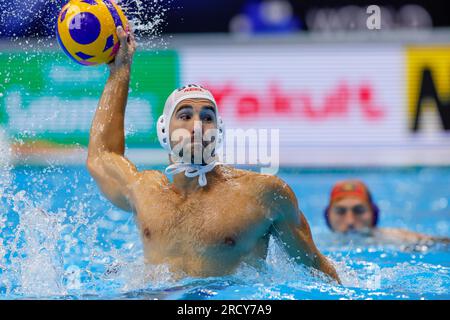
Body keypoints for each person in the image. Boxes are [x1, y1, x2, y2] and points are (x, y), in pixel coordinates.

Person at [86, 25, 340, 282]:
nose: (197, 126)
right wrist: (120, 72)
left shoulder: (263, 195)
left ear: (218, 131)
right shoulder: (143, 190)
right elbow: (101, 155)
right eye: (185, 116)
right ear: (163, 129)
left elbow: (314, 268)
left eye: (207, 117)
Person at [324, 180, 450, 245]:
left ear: (374, 214)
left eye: (359, 211)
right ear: (328, 216)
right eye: (340, 211)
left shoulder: (396, 238)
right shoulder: (318, 245)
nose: (350, 221)